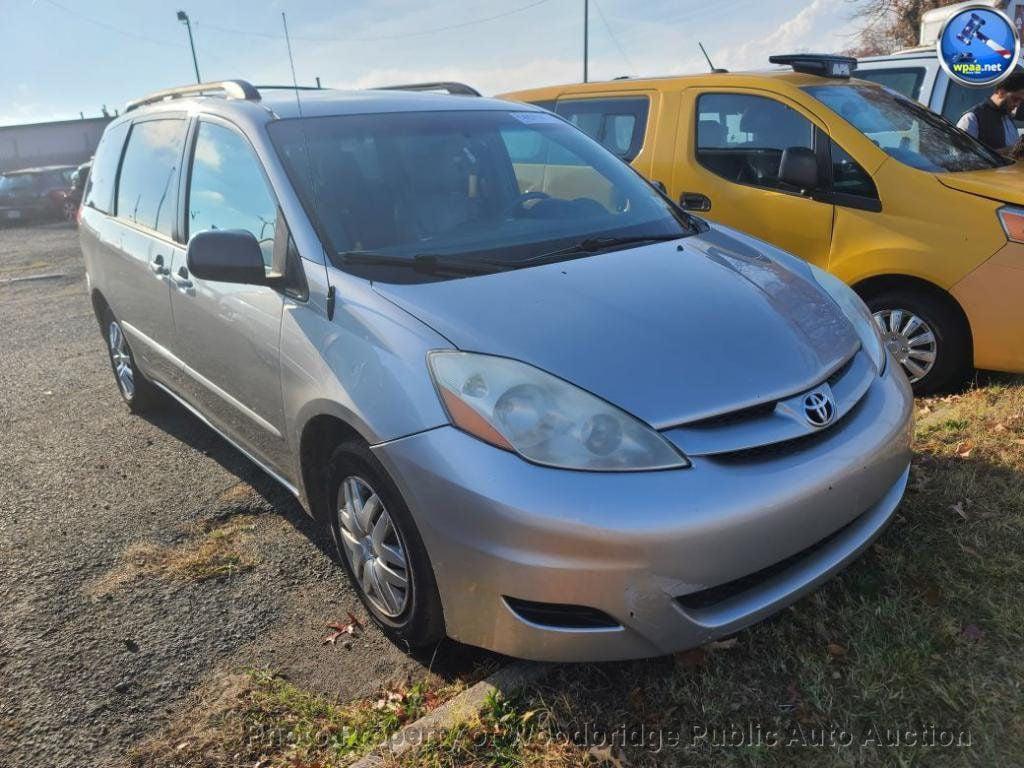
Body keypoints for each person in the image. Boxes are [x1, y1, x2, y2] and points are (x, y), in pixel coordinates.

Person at [957, 73, 1024, 152]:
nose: (1017, 105)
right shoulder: (972, 118)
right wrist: (1007, 151)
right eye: (1015, 99)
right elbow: (961, 158)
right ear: (1001, 92)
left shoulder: (1008, 119)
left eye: (1021, 101)